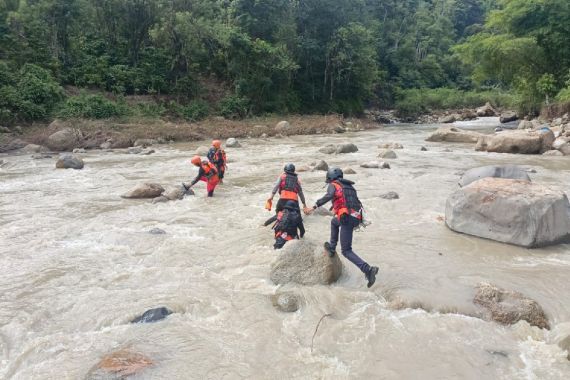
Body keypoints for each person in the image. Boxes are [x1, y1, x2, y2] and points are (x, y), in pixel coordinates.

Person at [306, 167, 379, 288]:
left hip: (347, 217)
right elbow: (349, 201)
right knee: (334, 222)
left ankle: (368, 270)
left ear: (330, 178)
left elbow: (329, 196)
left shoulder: (333, 185)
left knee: (346, 250)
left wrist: (313, 207)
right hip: (355, 217)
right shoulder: (349, 186)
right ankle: (332, 247)